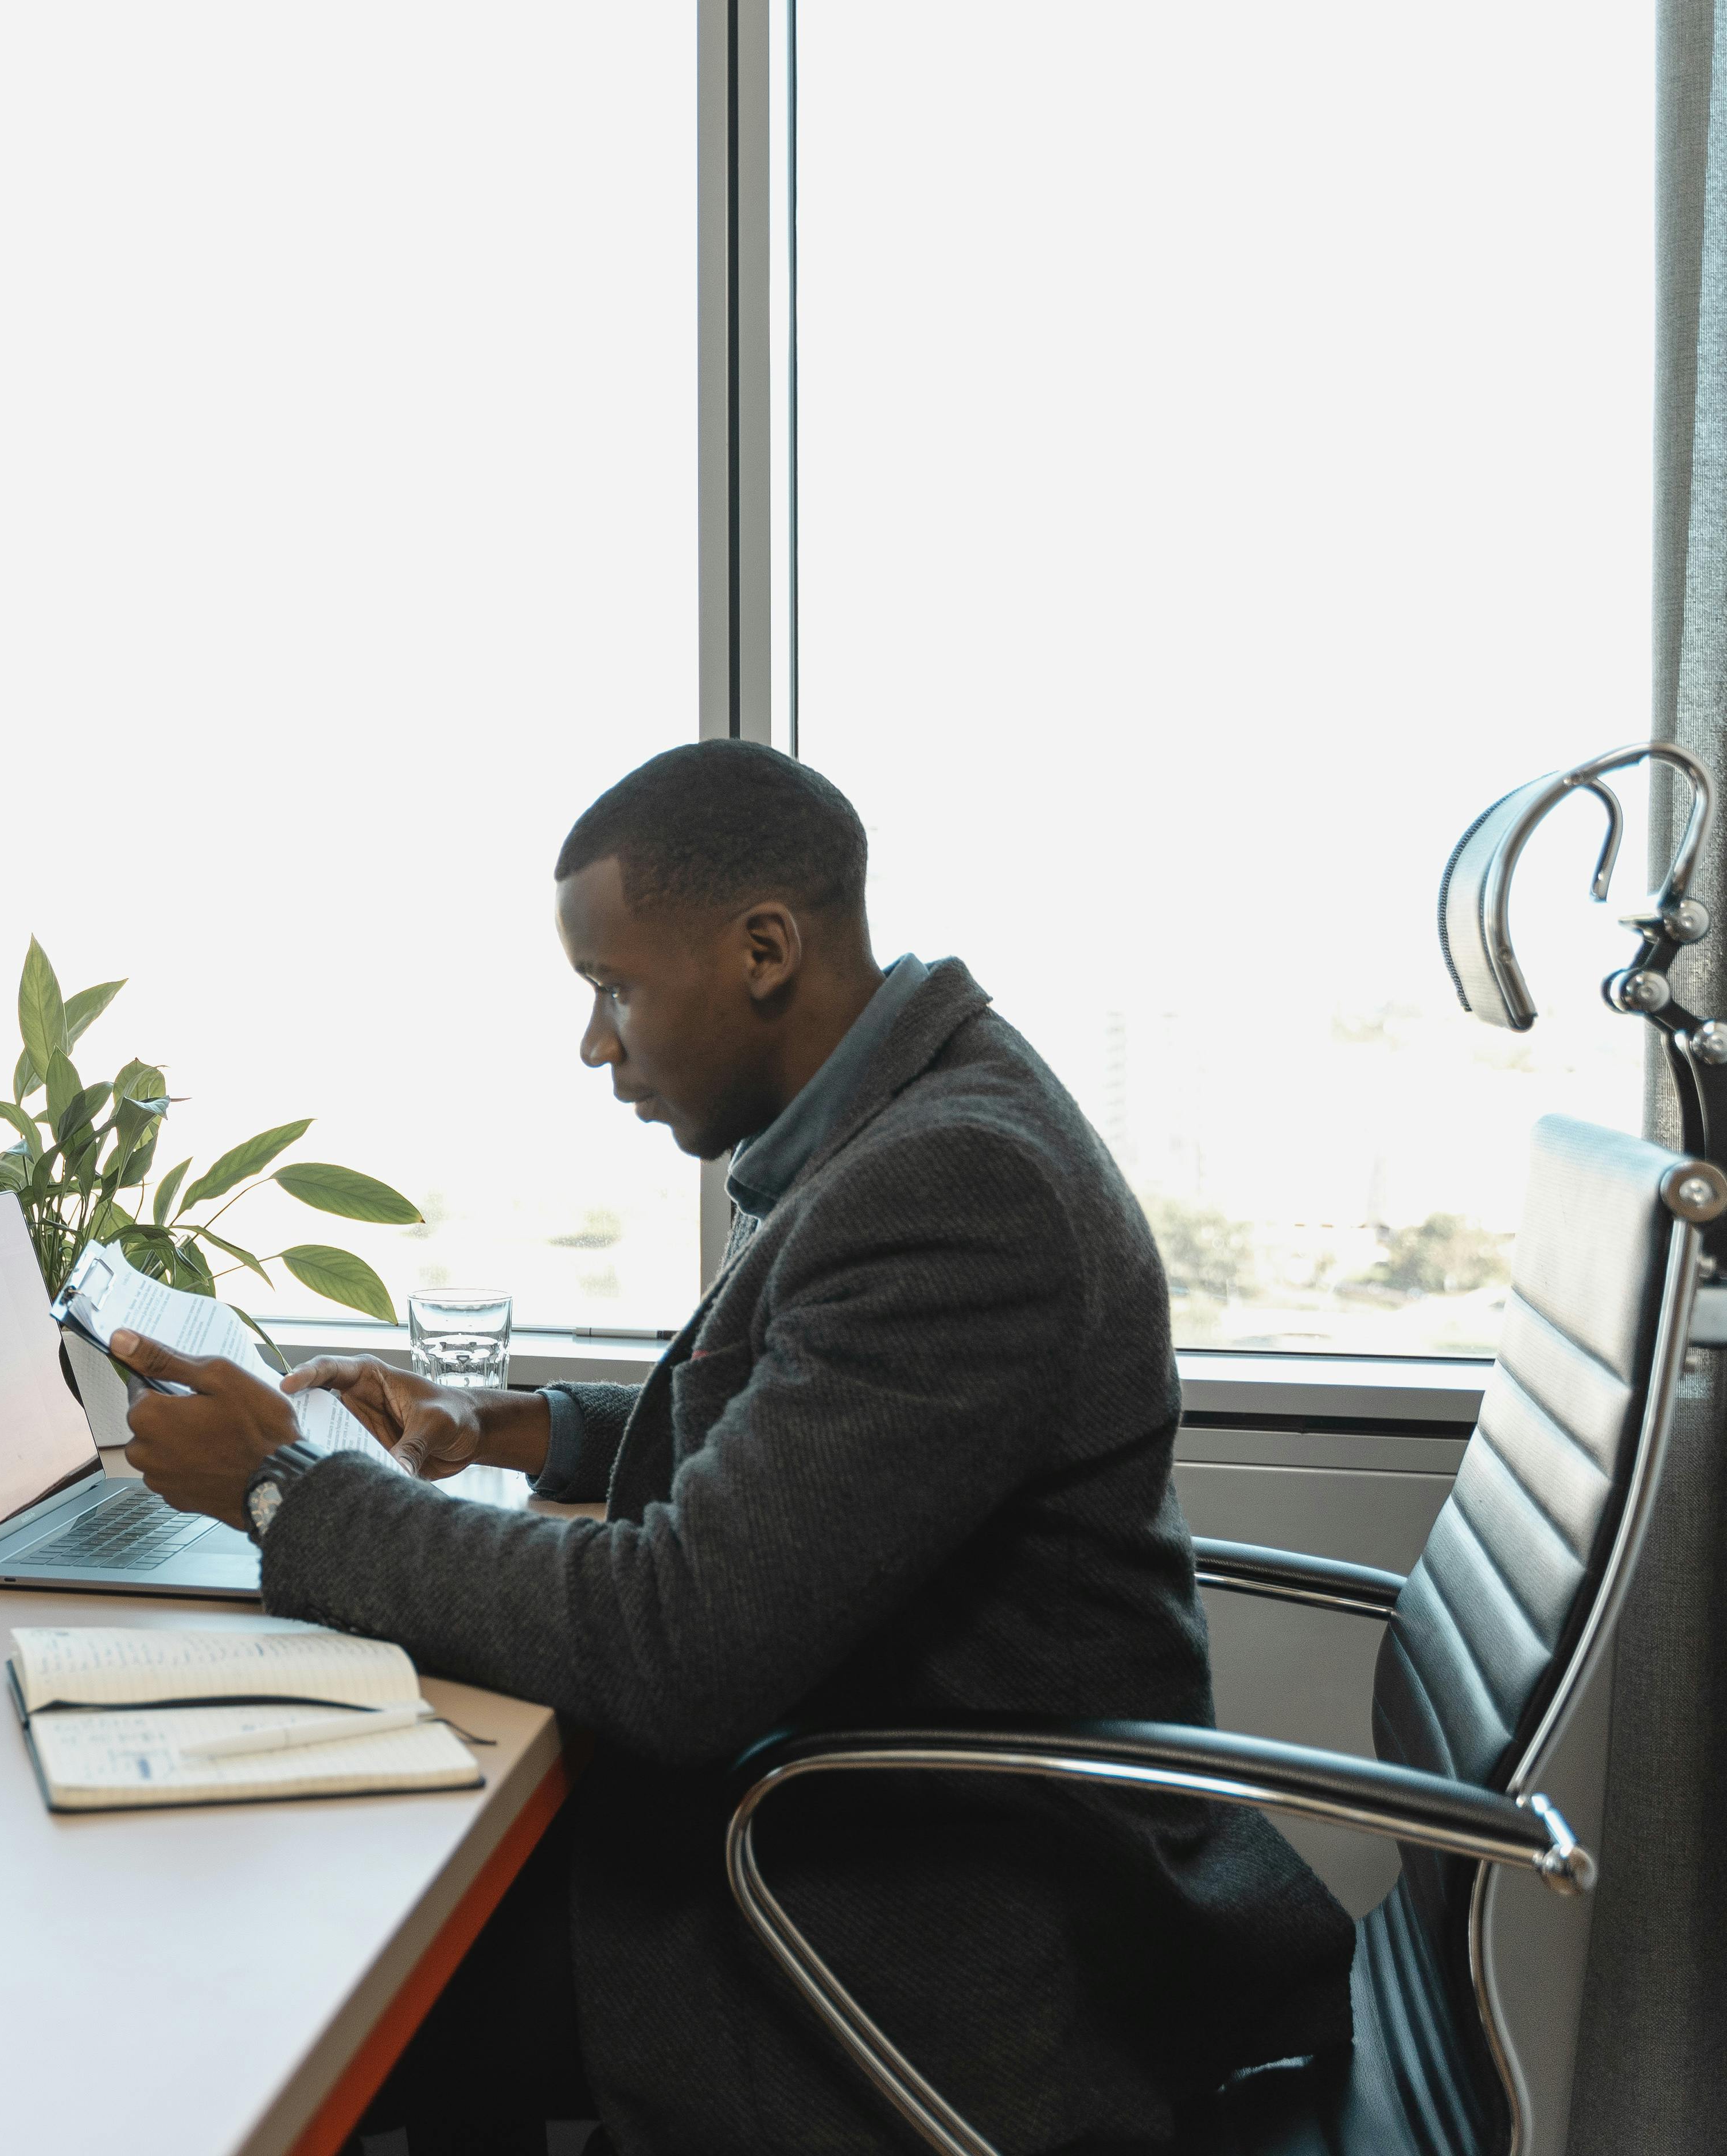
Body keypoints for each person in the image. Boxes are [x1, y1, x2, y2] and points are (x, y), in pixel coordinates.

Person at [118, 741, 1354, 2155]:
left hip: (946, 1935)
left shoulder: (958, 1185)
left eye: (614, 987)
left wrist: (288, 1487)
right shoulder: (906, 1119)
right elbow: (804, 1419)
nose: (597, 1042)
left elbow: (673, 1645)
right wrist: (521, 1427)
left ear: (765, 946)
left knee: (298, 1971)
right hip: (877, 1834)